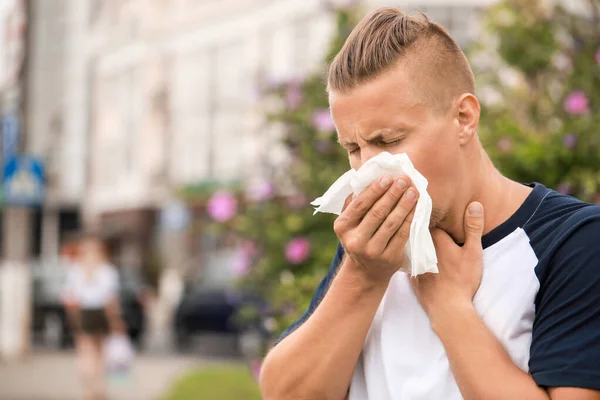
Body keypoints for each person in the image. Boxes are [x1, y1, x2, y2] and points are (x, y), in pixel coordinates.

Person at [259, 7, 600, 400]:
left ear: (464, 117)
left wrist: (450, 308)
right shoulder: (373, 248)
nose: (371, 171)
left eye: (388, 141)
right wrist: (363, 275)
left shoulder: (575, 241)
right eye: (353, 148)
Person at [61, 234, 123, 400]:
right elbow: (111, 299)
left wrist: (73, 316)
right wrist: (115, 320)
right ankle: (98, 388)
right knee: (100, 352)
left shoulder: (75, 270)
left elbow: (69, 297)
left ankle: (88, 389)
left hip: (84, 312)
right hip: (100, 312)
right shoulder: (108, 271)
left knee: (85, 351)